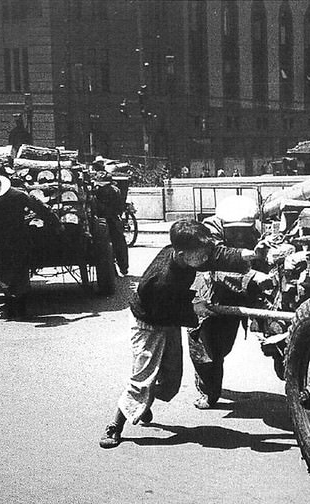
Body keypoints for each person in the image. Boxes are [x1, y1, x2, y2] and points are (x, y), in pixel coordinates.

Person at [98, 219, 274, 448]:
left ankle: (143, 404)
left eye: (205, 253)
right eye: (200, 255)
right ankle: (115, 426)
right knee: (143, 379)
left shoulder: (189, 254)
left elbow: (218, 255)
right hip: (148, 323)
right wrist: (193, 307)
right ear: (182, 254)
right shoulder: (160, 279)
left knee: (171, 383)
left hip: (169, 314)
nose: (205, 259)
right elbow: (164, 311)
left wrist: (250, 255)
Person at [188, 196, 264, 409]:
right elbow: (215, 264)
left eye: (244, 230)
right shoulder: (207, 233)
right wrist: (252, 275)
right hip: (206, 293)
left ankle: (211, 380)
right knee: (204, 346)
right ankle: (208, 391)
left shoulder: (255, 231)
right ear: (223, 224)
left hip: (236, 293)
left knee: (222, 347)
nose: (240, 235)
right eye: (234, 230)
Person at [0, 170, 62, 320]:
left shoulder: (17, 195)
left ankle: (20, 307)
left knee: (19, 272)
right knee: (2, 272)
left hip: (17, 239)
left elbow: (39, 207)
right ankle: (11, 305)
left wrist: (55, 223)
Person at [90, 171, 130, 276]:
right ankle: (116, 268)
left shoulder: (114, 191)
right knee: (106, 245)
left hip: (111, 220)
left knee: (118, 242)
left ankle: (123, 266)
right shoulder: (95, 192)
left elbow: (118, 208)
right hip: (101, 221)